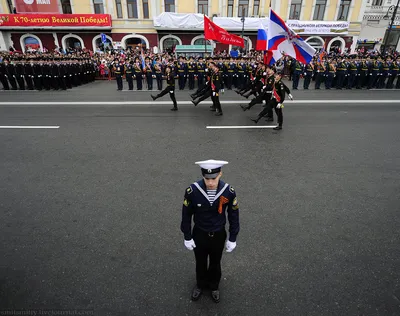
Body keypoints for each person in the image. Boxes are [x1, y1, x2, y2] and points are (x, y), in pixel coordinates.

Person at [181, 159, 240, 303]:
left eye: (214, 178)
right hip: (200, 233)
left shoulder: (228, 191)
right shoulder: (193, 191)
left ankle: (214, 286)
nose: (211, 182)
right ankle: (200, 284)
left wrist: (233, 238)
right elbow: (186, 215)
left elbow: (233, 215)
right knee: (200, 262)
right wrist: (187, 236)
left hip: (218, 234)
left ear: (220, 174)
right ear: (203, 176)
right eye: (207, 179)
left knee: (215, 262)